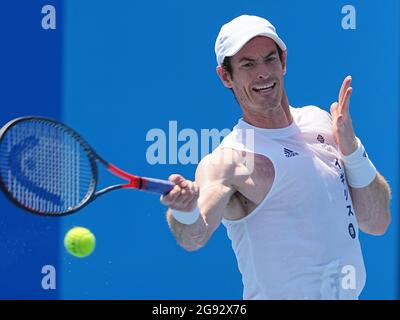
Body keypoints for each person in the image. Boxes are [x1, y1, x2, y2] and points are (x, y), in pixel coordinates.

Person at [160, 14, 391, 299]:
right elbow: (194, 236)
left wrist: (352, 150)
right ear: (225, 76)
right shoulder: (229, 161)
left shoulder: (322, 122)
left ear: (283, 61)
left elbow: (377, 222)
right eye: (248, 64)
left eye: (269, 59)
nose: (263, 73)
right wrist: (184, 209)